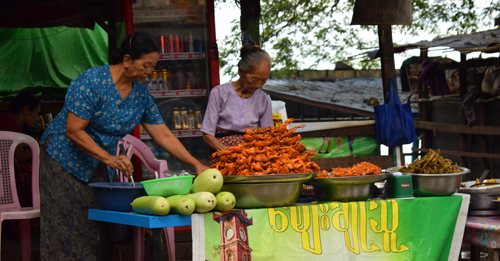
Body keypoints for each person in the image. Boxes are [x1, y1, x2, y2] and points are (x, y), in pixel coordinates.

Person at [38, 32, 208, 261]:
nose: (150, 72)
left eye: (153, 66)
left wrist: (195, 163)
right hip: (63, 159)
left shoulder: (141, 95)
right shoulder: (91, 81)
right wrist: (109, 159)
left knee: (100, 225)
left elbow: (164, 135)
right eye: (146, 65)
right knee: (67, 225)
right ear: (127, 60)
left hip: (98, 161)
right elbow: (73, 130)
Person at [201, 41, 273, 161]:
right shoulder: (219, 93)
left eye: (263, 81)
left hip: (252, 155)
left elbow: (268, 136)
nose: (258, 85)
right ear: (240, 72)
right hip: (222, 153)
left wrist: (251, 155)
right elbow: (207, 135)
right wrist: (228, 153)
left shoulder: (264, 99)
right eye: (254, 79)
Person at [0, 91, 41, 207]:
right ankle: (28, 209)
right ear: (26, 110)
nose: (38, 119)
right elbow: (20, 156)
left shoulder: (15, 125)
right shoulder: (6, 121)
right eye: (37, 113)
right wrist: (41, 150)